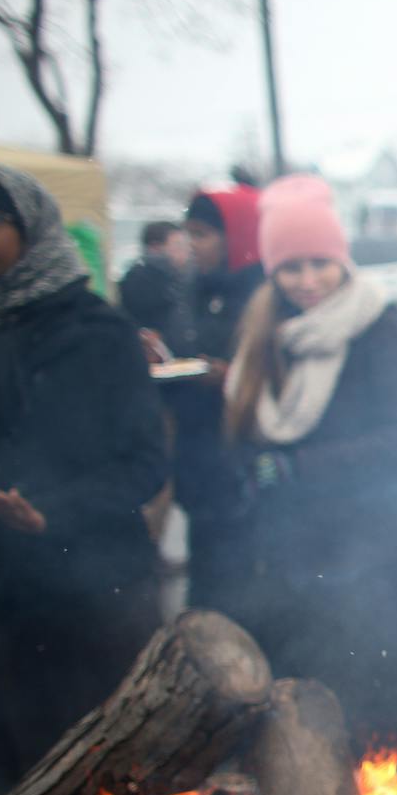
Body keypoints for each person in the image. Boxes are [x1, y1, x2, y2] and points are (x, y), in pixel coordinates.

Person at [0, 158, 167, 795]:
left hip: (95, 601)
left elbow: (145, 461)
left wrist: (45, 513)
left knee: (110, 791)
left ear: (30, 226)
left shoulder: (96, 331)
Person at [224, 174, 397, 764]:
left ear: (341, 258)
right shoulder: (265, 337)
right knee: (314, 697)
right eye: (292, 268)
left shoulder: (379, 327)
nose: (308, 281)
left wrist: (296, 468)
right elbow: (243, 433)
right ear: (272, 272)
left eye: (321, 263)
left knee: (378, 692)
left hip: (382, 552)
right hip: (297, 555)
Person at [165, 183, 265, 615]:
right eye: (188, 232)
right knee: (206, 602)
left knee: (242, 604)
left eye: (202, 233)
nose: (192, 243)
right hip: (199, 469)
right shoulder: (195, 289)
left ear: (237, 236)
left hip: (243, 477)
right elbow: (185, 351)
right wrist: (164, 356)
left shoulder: (265, 296)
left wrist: (230, 379)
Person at [118, 220, 191, 338]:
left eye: (186, 246)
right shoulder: (139, 281)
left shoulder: (182, 277)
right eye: (178, 246)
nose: (187, 252)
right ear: (155, 248)